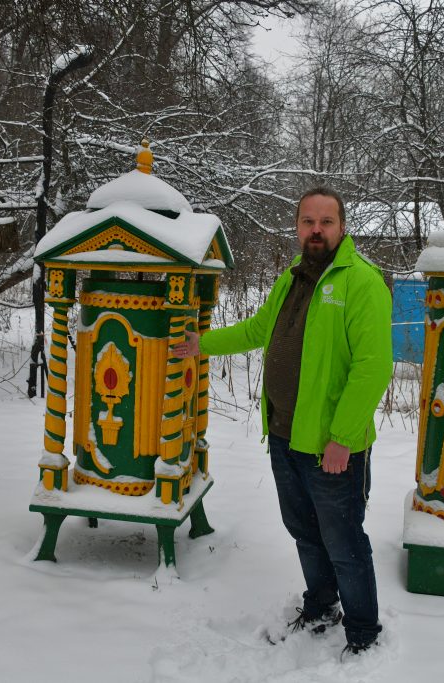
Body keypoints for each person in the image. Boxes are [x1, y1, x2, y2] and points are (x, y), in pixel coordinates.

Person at [173, 187, 393, 657]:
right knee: (304, 531)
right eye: (308, 221)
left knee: (344, 540)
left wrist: (344, 438)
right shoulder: (291, 279)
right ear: (297, 227)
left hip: (331, 446)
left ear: (342, 227)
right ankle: (320, 606)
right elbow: (258, 330)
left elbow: (372, 368)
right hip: (284, 434)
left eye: (326, 221)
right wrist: (201, 344)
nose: (316, 229)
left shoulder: (362, 283)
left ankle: (363, 632)